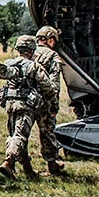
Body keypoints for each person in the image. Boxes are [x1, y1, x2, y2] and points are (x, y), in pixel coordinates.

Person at [0, 35, 46, 178]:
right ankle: (8, 162)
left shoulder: (9, 63)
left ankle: (28, 170)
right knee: (19, 135)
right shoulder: (33, 66)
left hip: (10, 103)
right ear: (31, 50)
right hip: (26, 104)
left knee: (16, 134)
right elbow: (46, 85)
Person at [32, 25, 69, 177]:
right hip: (45, 100)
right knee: (47, 131)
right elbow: (54, 83)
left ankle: (15, 163)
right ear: (51, 40)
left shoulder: (30, 53)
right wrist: (53, 103)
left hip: (27, 99)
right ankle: (51, 164)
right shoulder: (52, 56)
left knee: (21, 132)